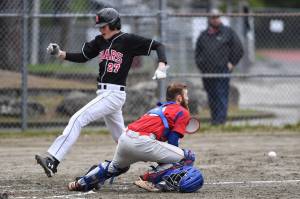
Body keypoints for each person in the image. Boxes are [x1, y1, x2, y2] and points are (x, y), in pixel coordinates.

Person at [35, 7, 169, 177]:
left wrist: (162, 64)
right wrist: (59, 53)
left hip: (114, 94)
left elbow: (158, 45)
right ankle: (161, 161)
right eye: (99, 26)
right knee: (125, 140)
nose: (100, 29)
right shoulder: (100, 41)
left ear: (113, 24)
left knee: (77, 119)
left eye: (104, 26)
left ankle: (52, 160)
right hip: (104, 94)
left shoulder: (127, 40)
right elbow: (82, 56)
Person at [67, 82, 203, 192]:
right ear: (179, 98)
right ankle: (150, 180)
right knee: (188, 157)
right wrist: (167, 164)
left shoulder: (159, 108)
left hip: (125, 137)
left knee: (115, 167)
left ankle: (79, 183)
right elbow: (173, 141)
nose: (188, 98)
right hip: (143, 142)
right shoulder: (182, 111)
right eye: (186, 95)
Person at [195, 9, 244, 125]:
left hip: (222, 70)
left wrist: (232, 63)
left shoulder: (228, 32)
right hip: (207, 72)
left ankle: (221, 121)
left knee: (221, 95)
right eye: (213, 17)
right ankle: (214, 120)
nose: (215, 19)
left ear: (220, 18)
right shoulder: (204, 35)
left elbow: (239, 49)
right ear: (209, 19)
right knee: (211, 96)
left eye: (217, 17)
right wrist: (201, 65)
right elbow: (197, 53)